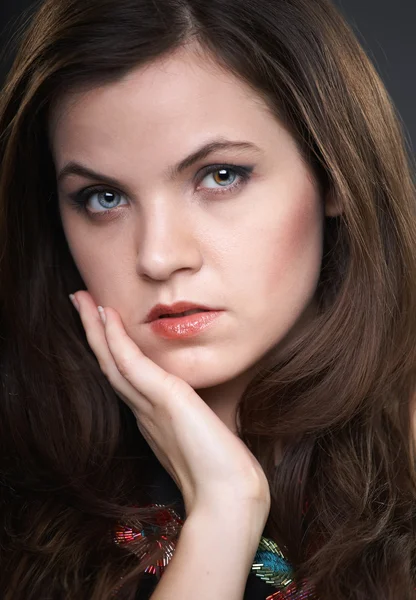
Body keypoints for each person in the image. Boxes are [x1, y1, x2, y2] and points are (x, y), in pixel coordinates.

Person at [0, 0, 415, 598]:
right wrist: (223, 513)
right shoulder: (23, 493)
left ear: (333, 174)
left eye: (220, 175)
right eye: (102, 197)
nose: (159, 257)